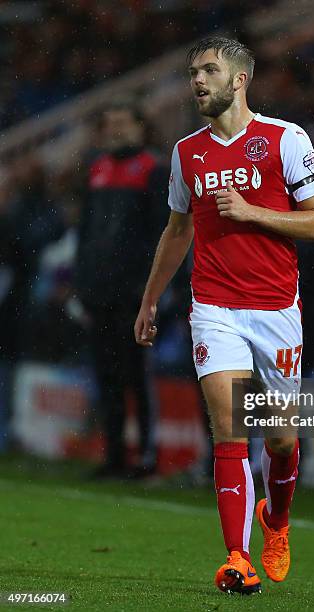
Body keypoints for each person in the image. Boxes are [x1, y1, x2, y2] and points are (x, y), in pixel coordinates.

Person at [135, 37, 314, 594]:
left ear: (240, 79)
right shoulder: (186, 153)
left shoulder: (284, 139)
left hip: (275, 310)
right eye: (192, 70)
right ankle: (237, 558)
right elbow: (178, 230)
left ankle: (277, 519)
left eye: (209, 70)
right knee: (230, 430)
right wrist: (150, 299)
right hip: (214, 307)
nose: (197, 80)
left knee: (281, 441)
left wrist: (252, 211)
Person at [76, 96, 169, 479]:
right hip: (98, 293)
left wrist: (149, 289)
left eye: (123, 123)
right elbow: (85, 234)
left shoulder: (151, 170)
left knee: (136, 374)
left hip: (133, 294)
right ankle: (115, 454)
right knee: (108, 375)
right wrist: (82, 282)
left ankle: (147, 455)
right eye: (110, 123)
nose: (115, 130)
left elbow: (161, 234)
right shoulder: (97, 170)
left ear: (140, 128)